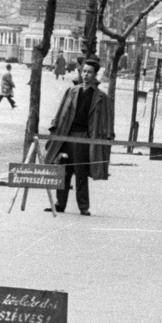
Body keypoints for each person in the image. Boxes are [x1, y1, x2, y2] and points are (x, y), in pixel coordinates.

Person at [44, 55, 113, 216]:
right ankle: (60, 204)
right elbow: (61, 112)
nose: (86, 75)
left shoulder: (101, 97)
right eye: (84, 71)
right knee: (62, 171)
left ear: (95, 75)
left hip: (83, 138)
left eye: (89, 72)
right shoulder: (72, 91)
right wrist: (55, 131)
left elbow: (105, 121)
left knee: (81, 172)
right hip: (66, 136)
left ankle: (83, 207)